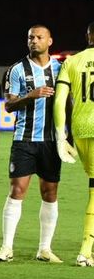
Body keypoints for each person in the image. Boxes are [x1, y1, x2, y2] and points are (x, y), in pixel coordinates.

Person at [0, 25, 64, 263]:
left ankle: (45, 249)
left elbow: (69, 102)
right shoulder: (17, 70)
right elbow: (9, 105)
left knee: (50, 192)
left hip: (51, 141)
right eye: (30, 37)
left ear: (50, 41)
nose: (34, 41)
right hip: (24, 139)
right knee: (17, 190)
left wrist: (70, 137)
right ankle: (6, 247)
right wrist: (30, 95)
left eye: (38, 37)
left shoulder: (60, 69)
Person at [54, 22, 94, 266]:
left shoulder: (72, 61)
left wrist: (61, 135)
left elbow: (60, 101)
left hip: (81, 129)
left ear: (88, 35)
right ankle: (85, 250)